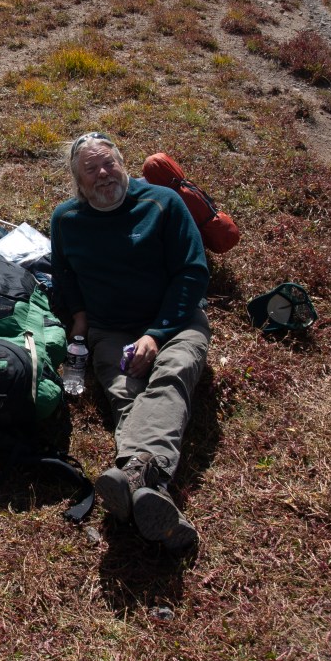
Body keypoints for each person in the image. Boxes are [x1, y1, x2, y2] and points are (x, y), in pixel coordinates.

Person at [50, 131, 210, 552]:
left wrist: (156, 335)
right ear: (78, 183)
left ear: (123, 164)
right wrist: (79, 320)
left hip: (175, 323)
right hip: (110, 330)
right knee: (126, 394)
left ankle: (135, 476)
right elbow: (64, 276)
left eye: (110, 163)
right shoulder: (66, 219)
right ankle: (150, 492)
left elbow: (193, 272)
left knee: (171, 374)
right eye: (91, 169)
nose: (104, 174)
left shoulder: (163, 203)